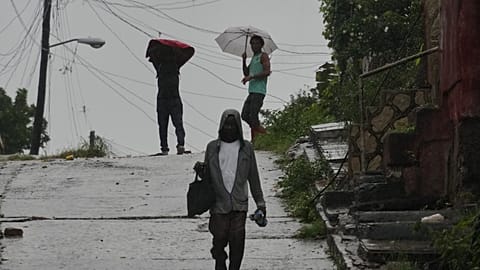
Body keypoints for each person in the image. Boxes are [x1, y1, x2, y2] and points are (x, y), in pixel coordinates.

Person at [203, 109, 266, 270]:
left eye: (233, 125)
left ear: (238, 127)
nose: (229, 128)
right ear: (221, 126)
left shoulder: (246, 148)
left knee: (237, 241)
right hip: (218, 204)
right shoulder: (212, 148)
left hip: (239, 204)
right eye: (226, 125)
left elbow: (253, 177)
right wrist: (201, 171)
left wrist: (260, 203)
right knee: (219, 237)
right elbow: (207, 177)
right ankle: (219, 258)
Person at [149, 45, 186, 155]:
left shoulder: (160, 65)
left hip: (163, 99)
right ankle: (180, 145)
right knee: (178, 124)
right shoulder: (176, 65)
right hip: (173, 98)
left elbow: (152, 59)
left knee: (163, 125)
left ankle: (165, 148)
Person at [241, 35, 271, 141]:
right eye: (252, 43)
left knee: (253, 115)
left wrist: (252, 76)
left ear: (261, 45)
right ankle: (261, 133)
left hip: (259, 91)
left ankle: (264, 135)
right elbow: (246, 72)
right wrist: (244, 60)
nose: (254, 45)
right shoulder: (254, 58)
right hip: (252, 91)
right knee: (244, 115)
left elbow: (267, 72)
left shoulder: (263, 56)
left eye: (257, 43)